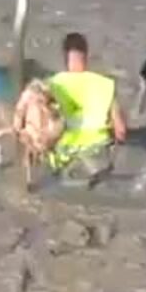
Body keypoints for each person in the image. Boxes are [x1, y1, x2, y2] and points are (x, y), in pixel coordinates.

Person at [37, 31, 133, 187]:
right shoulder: (105, 84)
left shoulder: (51, 84)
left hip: (63, 152)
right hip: (98, 149)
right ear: (86, 54)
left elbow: (41, 127)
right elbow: (121, 130)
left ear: (64, 55)